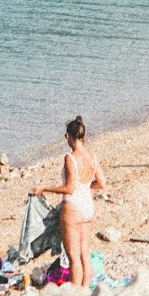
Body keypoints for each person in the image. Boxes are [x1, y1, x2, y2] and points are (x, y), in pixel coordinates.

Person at [30, 117, 105, 286]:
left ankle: (76, 294)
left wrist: (44, 188)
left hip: (73, 206)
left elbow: (69, 188)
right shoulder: (92, 155)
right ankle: (84, 291)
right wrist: (84, 187)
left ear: (69, 136)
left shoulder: (70, 157)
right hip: (88, 205)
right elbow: (101, 183)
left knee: (73, 257)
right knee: (84, 252)